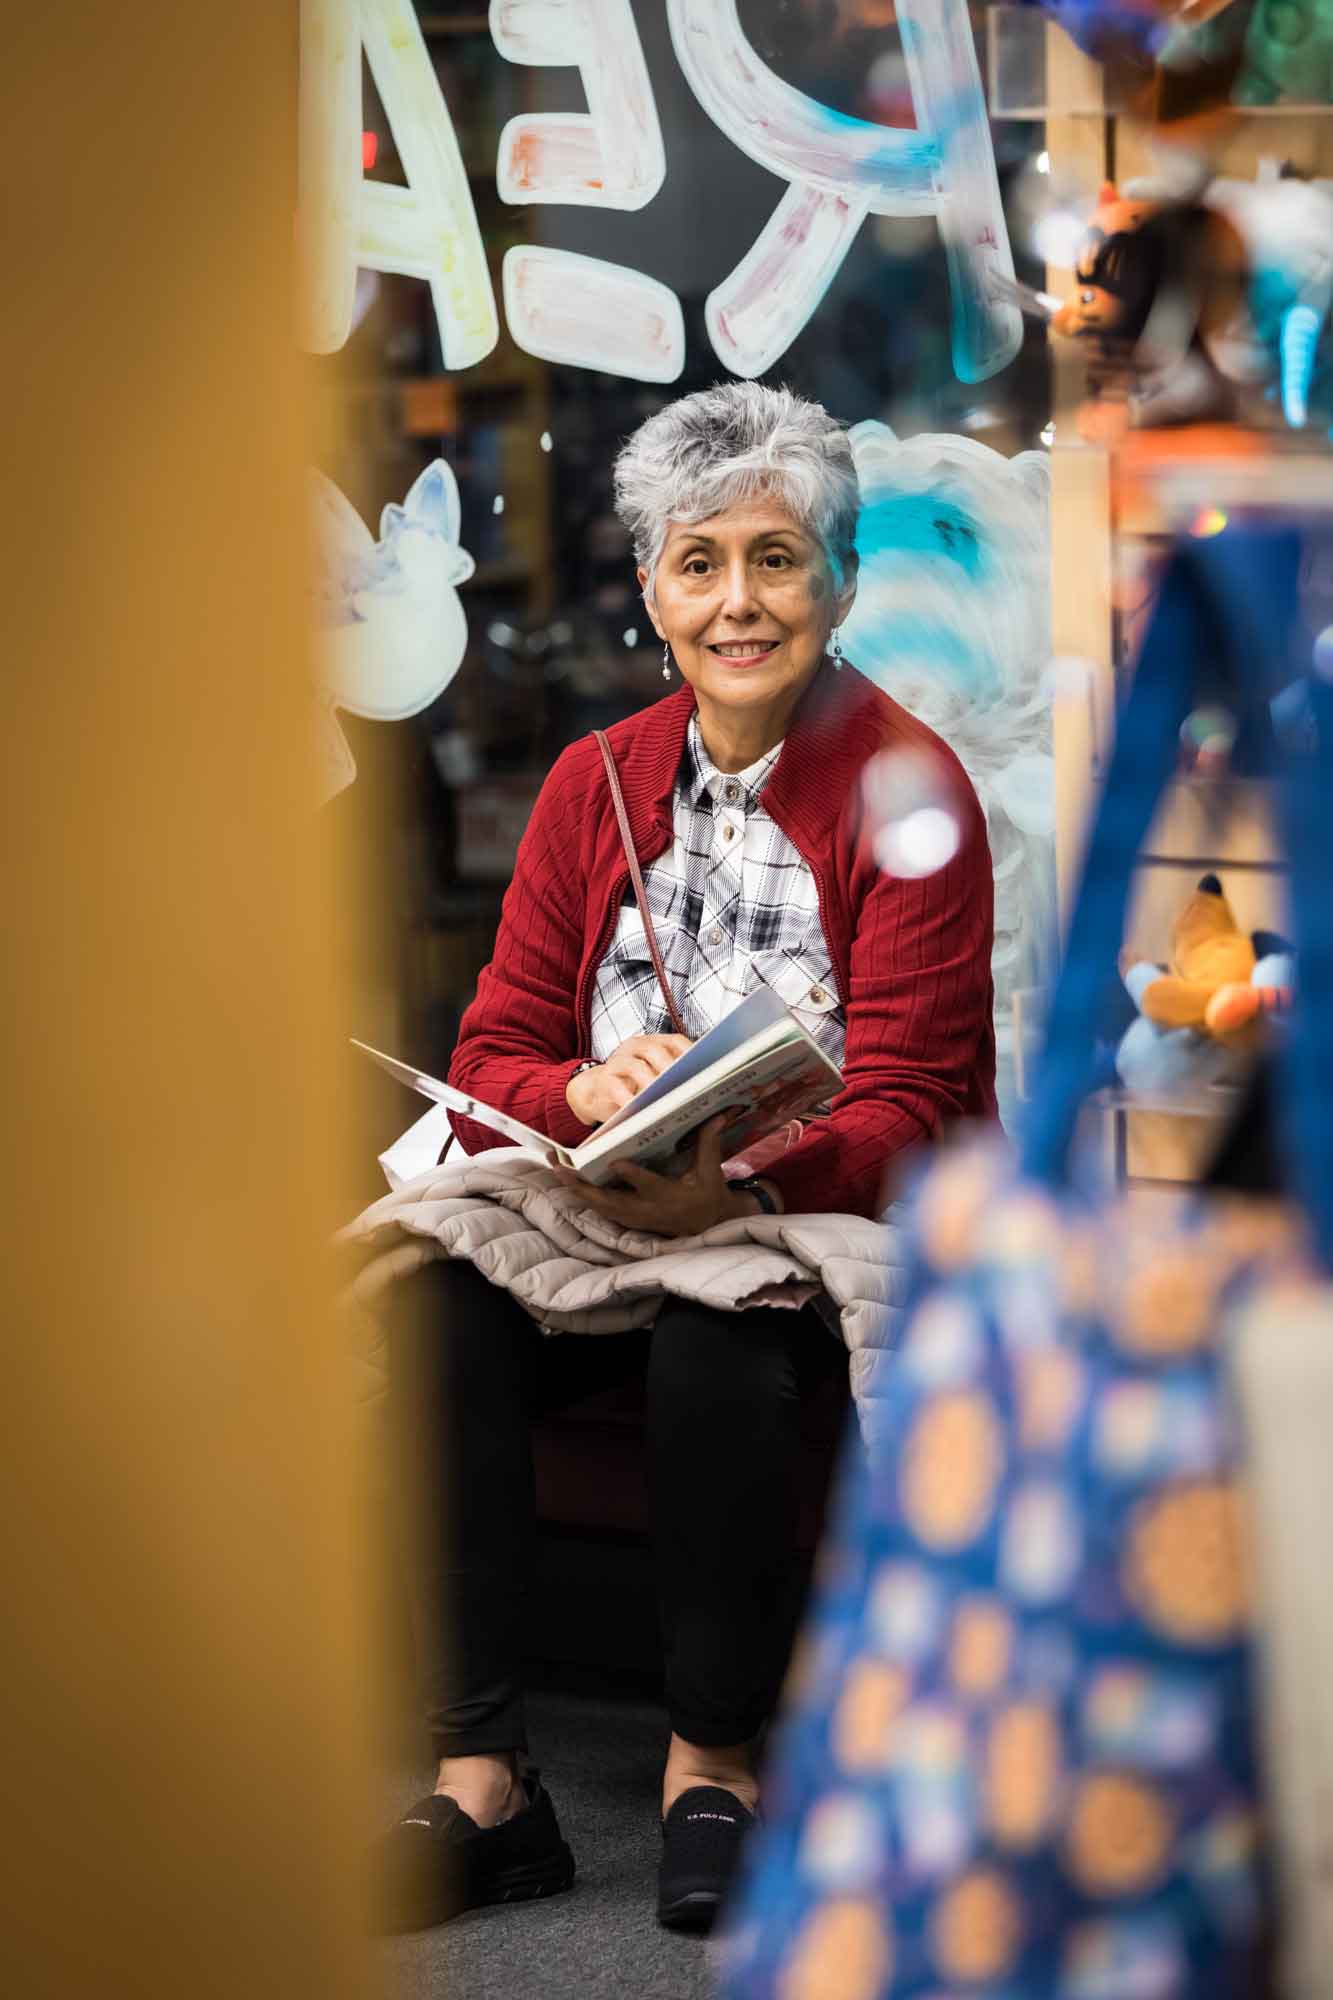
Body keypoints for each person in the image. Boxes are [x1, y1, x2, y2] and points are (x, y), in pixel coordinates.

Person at [375, 382, 998, 1936]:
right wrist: (585, 1090)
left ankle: (711, 1767)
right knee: (426, 1304)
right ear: (651, 588)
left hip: (809, 1210)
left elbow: (917, 1099)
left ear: (837, 582)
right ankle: (482, 1786)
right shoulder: (591, 782)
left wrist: (744, 1184)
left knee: (719, 1347)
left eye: (778, 559)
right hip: (603, 1196)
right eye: (700, 562)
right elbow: (491, 1051)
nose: (739, 601)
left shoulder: (910, 785)